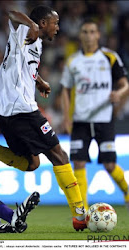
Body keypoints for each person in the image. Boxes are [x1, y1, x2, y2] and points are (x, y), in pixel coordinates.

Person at [0, 5, 87, 232]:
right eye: (55, 23)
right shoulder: (26, 32)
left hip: (5, 111)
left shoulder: (36, 43)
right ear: (42, 24)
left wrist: (38, 80)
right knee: (59, 155)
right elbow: (10, 12)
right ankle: (80, 213)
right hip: (21, 109)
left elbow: (21, 64)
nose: (58, 28)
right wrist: (30, 24)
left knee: (32, 163)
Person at [60, 19, 129, 210]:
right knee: (79, 163)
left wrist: (119, 94)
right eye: (85, 31)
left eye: (92, 31)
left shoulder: (110, 57)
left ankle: (127, 191)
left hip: (104, 119)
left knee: (109, 164)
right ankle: (82, 211)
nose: (88, 35)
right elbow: (65, 90)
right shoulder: (73, 61)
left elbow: (125, 85)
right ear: (80, 35)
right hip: (80, 120)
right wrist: (66, 117)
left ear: (98, 34)